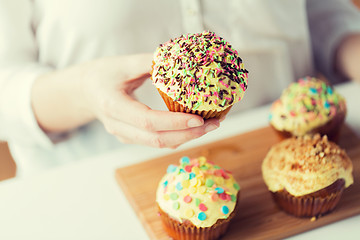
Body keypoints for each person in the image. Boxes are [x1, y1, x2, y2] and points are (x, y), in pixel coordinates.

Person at [0, 0, 360, 177]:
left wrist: (351, 46)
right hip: (97, 183)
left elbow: (315, 8)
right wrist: (84, 90)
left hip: (299, 149)